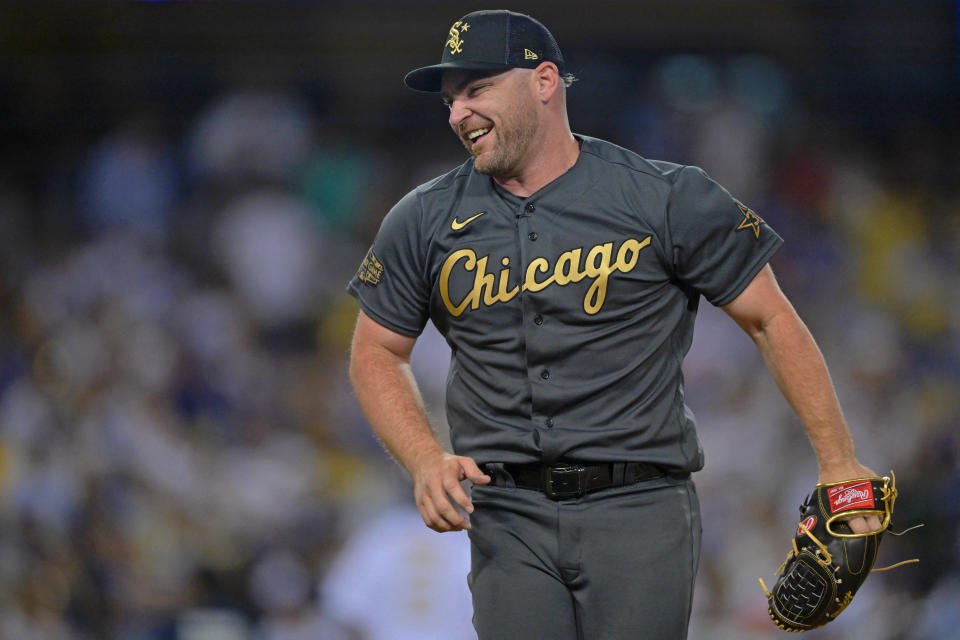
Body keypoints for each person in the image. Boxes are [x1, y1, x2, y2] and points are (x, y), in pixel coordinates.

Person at [347, 9, 881, 639]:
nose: (458, 112)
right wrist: (423, 458)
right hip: (506, 512)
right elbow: (376, 351)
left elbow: (770, 319)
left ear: (544, 81)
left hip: (640, 508)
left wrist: (839, 463)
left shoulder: (664, 196)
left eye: (476, 89)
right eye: (450, 98)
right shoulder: (423, 218)